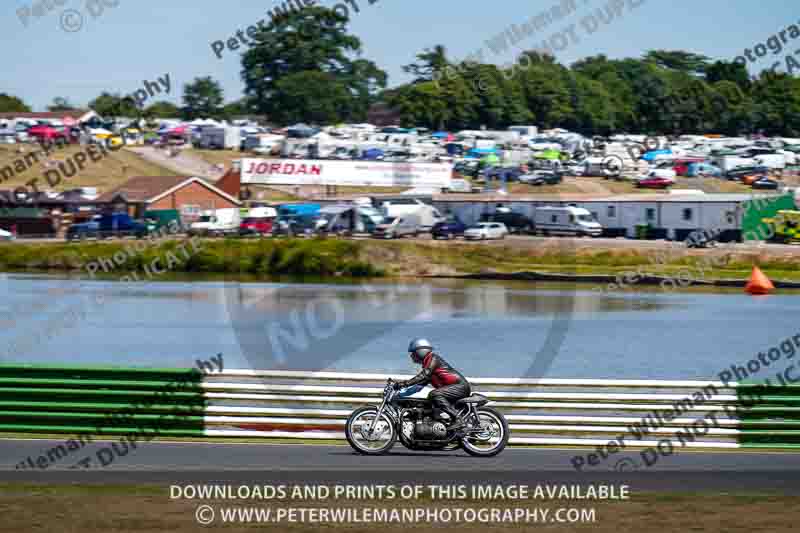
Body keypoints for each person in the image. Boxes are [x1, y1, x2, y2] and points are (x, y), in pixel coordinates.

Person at [394, 338, 471, 429]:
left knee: (434, 394)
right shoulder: (428, 364)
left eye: (413, 352)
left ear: (420, 351)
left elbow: (424, 375)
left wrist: (404, 384)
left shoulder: (433, 358)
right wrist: (404, 392)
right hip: (454, 387)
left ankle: (458, 419)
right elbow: (421, 383)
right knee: (427, 402)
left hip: (460, 386)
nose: (411, 356)